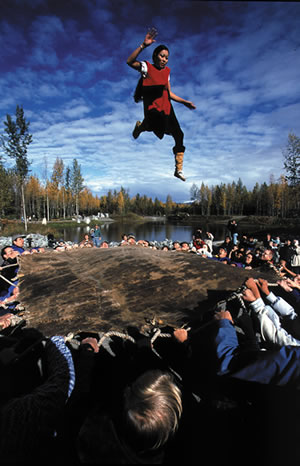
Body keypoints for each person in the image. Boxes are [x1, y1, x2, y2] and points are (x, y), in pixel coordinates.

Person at [126, 28, 196, 182]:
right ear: (155, 56)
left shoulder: (167, 72)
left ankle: (178, 169)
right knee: (155, 126)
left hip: (167, 108)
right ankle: (141, 126)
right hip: (153, 109)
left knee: (179, 135)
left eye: (167, 57)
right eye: (162, 56)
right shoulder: (146, 67)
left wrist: (184, 102)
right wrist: (143, 46)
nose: (164, 59)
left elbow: (168, 93)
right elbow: (129, 62)